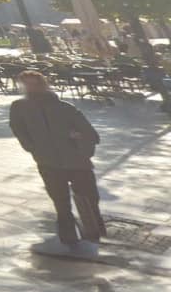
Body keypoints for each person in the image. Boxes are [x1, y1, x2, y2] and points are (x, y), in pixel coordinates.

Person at [9, 70, 105, 247]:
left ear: (44, 84)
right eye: (26, 84)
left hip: (77, 162)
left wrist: (79, 142)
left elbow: (91, 135)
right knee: (61, 202)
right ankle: (68, 236)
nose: (31, 88)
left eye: (35, 84)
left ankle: (95, 231)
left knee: (89, 199)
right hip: (48, 163)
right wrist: (32, 148)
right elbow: (18, 129)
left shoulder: (64, 108)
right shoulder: (19, 108)